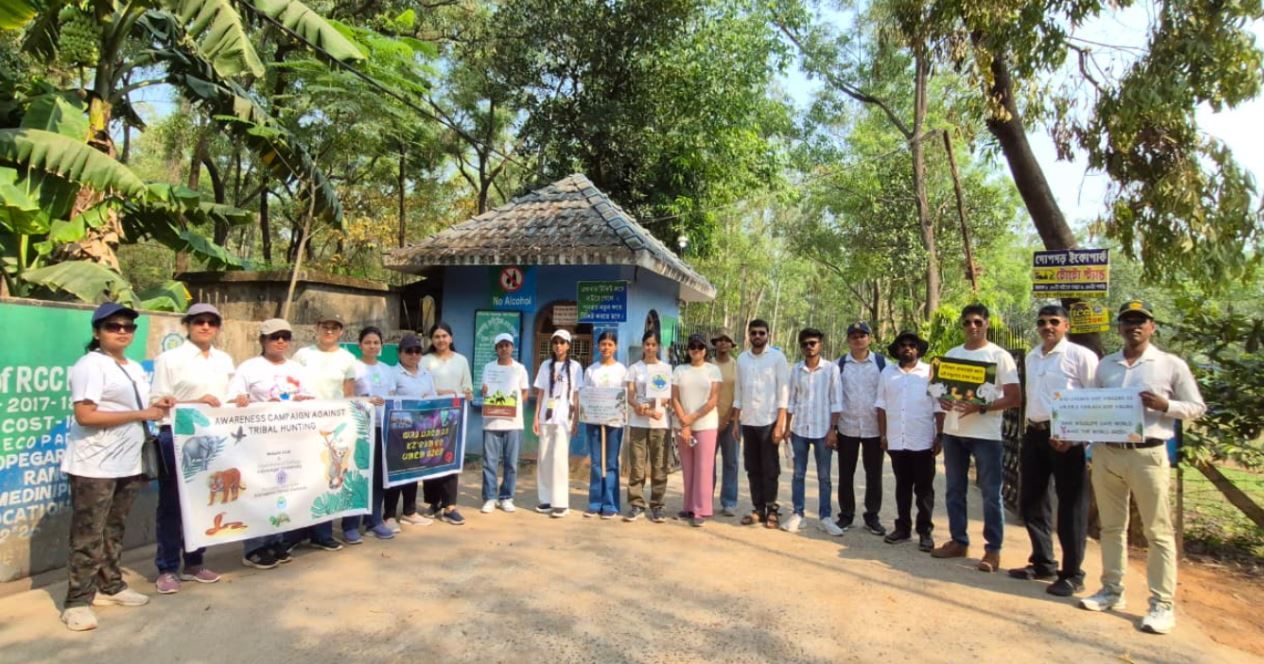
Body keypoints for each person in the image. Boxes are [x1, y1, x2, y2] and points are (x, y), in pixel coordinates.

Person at [1079, 300, 1205, 635]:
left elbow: (1196, 407)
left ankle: (1161, 604)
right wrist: (1083, 439)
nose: (1134, 326)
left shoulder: (1169, 364)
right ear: (1119, 327)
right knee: (1110, 527)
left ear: (1152, 327)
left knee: (1157, 532)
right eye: (1128, 320)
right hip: (1108, 452)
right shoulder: (1106, 365)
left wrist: (1166, 405)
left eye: (1141, 320)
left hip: (1148, 455)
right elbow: (1092, 407)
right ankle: (1111, 591)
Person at [60, 303, 173, 632]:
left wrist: (156, 406)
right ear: (97, 332)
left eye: (128, 327)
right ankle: (77, 601)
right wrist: (141, 414)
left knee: (114, 528)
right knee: (88, 533)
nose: (122, 331)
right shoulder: (91, 365)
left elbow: (135, 406)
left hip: (127, 460)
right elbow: (85, 415)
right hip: (94, 464)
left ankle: (110, 586)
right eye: (113, 326)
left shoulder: (132, 366)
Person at [1009, 305, 1099, 596]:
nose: (1047, 326)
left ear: (1066, 325)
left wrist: (1078, 437)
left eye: (1054, 321)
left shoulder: (1081, 356)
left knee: (1071, 506)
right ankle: (1043, 562)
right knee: (1032, 501)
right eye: (1042, 322)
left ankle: (1073, 573)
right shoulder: (1033, 357)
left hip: (1067, 438)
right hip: (1035, 433)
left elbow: (1095, 399)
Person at [149, 303, 233, 595]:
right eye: (199, 321)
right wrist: (197, 401)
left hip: (213, 438)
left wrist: (239, 401)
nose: (205, 326)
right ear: (187, 325)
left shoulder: (224, 360)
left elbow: (228, 398)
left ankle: (195, 562)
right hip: (177, 437)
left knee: (203, 501)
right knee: (172, 504)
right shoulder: (170, 359)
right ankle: (168, 568)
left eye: (212, 322)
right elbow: (158, 403)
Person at [932, 304, 1021, 573]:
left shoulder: (1000, 356)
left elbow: (1014, 397)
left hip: (986, 435)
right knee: (954, 490)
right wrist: (943, 401)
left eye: (978, 322)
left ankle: (993, 550)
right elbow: (939, 390)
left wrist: (980, 407)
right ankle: (959, 541)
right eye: (968, 322)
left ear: (987, 323)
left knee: (991, 494)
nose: (972, 326)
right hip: (954, 432)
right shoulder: (952, 355)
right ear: (962, 325)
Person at [228, 318, 316, 568]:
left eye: (285, 337)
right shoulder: (249, 367)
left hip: (289, 441)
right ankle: (254, 547)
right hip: (259, 442)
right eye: (274, 337)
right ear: (262, 340)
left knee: (282, 490)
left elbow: (312, 399)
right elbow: (233, 399)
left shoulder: (297, 369)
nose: (280, 341)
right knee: (259, 491)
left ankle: (276, 540)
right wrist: (243, 401)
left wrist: (302, 401)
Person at [289, 314, 357, 549]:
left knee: (325, 476)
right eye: (325, 326)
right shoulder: (302, 355)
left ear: (341, 332)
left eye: (334, 328)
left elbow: (349, 394)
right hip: (304, 424)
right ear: (316, 328)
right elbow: (291, 385)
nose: (329, 331)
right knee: (302, 477)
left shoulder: (347, 359)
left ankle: (322, 533)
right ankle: (296, 533)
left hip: (332, 428)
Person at [875, 331, 942, 552]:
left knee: (924, 489)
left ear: (918, 349)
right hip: (897, 439)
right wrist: (883, 434)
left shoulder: (930, 373)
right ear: (897, 349)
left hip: (923, 439)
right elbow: (881, 405)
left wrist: (940, 435)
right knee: (902, 487)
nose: (907, 348)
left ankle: (925, 532)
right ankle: (902, 528)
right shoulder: (887, 373)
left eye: (912, 345)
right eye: (903, 345)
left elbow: (938, 406)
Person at [732, 319, 790, 529]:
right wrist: (736, 422)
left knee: (770, 467)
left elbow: (783, 392)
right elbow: (738, 392)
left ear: (768, 335)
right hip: (748, 421)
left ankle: (772, 509)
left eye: (761, 333)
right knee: (752, 467)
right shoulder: (742, 359)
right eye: (754, 333)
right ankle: (758, 509)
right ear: (749, 335)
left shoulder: (777, 358)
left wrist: (780, 424)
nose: (757, 336)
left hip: (769, 421)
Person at [785, 328, 843, 535]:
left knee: (824, 476)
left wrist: (833, 430)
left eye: (813, 343)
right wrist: (786, 428)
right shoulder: (796, 370)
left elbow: (836, 402)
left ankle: (825, 517)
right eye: (805, 344)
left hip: (823, 430)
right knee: (798, 474)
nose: (809, 347)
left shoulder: (831, 369)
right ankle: (798, 514)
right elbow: (791, 401)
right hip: (799, 429)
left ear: (820, 345)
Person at [340, 327, 396, 542]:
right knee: (357, 475)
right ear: (360, 345)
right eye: (368, 342)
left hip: (382, 428)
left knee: (378, 477)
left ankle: (374, 521)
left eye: (376, 342)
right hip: (360, 429)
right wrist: (366, 401)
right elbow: (347, 397)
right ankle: (350, 525)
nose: (372, 346)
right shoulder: (353, 368)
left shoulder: (387, 369)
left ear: (381, 345)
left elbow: (392, 396)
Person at [384, 333, 443, 530]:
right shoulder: (392, 373)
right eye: (409, 351)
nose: (414, 355)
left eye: (417, 351)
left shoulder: (427, 374)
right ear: (399, 353)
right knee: (395, 472)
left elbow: (433, 400)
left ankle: (409, 512)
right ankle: (389, 515)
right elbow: (389, 400)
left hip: (420, 432)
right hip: (397, 432)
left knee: (413, 471)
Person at [835, 321, 888, 536]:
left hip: (873, 428)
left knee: (874, 474)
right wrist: (832, 428)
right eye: (854, 336)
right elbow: (833, 397)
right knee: (845, 474)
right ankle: (846, 515)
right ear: (848, 340)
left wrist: (887, 430)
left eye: (862, 335)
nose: (858, 340)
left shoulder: (882, 364)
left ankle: (872, 516)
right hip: (847, 427)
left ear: (870, 338)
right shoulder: (839, 365)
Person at [420, 322, 474, 525]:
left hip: (453, 419)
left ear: (451, 338)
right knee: (431, 457)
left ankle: (450, 506)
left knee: (451, 458)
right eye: (437, 336)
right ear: (432, 340)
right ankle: (433, 503)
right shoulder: (425, 361)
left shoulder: (461, 360)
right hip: (430, 418)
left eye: (444, 336)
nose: (441, 340)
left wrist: (466, 393)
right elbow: (421, 388)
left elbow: (468, 388)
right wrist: (440, 393)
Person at [671, 333, 722, 527]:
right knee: (688, 467)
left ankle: (701, 509)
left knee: (703, 468)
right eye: (692, 346)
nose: (696, 350)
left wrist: (691, 419)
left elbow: (713, 400)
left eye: (700, 346)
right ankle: (688, 507)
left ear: (706, 350)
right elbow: (675, 398)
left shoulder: (713, 370)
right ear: (687, 349)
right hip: (682, 425)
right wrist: (685, 423)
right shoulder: (680, 370)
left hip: (705, 424)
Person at [624, 331, 673, 523]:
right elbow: (630, 395)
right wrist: (640, 407)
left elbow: (668, 396)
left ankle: (657, 505)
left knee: (659, 464)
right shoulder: (634, 369)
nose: (650, 348)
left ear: (658, 346)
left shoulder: (665, 368)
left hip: (659, 423)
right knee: (637, 464)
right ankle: (636, 504)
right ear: (643, 346)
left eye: (653, 344)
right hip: (638, 422)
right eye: (647, 344)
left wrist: (655, 407)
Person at [480, 332, 530, 514]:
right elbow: (485, 390)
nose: (504, 349)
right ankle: (490, 497)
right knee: (490, 462)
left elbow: (525, 392)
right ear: (496, 349)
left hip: (513, 422)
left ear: (512, 347)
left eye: (507, 345)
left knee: (511, 463)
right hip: (492, 422)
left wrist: (513, 404)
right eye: (500, 346)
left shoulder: (520, 369)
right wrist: (485, 391)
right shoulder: (488, 368)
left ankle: (506, 497)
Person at [533, 329, 581, 518]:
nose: (558, 346)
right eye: (555, 342)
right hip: (546, 417)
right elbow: (541, 393)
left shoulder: (575, 367)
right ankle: (546, 499)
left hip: (563, 419)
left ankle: (560, 503)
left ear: (568, 345)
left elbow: (576, 395)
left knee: (559, 459)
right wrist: (536, 417)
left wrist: (576, 419)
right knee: (544, 458)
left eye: (562, 342)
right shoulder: (545, 365)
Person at [582, 331, 627, 519]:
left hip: (614, 422)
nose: (606, 348)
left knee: (611, 463)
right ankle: (595, 503)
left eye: (610, 344)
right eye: (603, 344)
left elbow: (624, 396)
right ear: (598, 346)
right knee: (595, 463)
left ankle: (610, 504)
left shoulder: (622, 371)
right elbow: (585, 394)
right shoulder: (591, 371)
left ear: (615, 347)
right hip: (594, 421)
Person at [710, 329, 740, 517]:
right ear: (715, 343)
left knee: (731, 462)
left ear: (731, 344)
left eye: (726, 340)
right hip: (708, 421)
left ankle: (729, 502)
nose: (723, 343)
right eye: (719, 340)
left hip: (731, 421)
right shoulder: (708, 364)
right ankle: (705, 499)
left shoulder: (737, 366)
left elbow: (739, 394)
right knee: (707, 462)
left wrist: (728, 418)